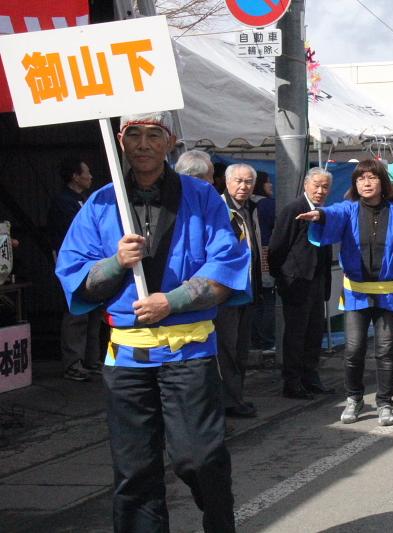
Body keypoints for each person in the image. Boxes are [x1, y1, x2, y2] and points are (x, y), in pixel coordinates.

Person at [55, 111, 249, 532]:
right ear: (121, 142)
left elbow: (228, 270)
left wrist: (173, 301)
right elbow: (77, 280)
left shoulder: (203, 197)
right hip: (125, 360)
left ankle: (220, 522)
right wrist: (115, 263)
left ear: (169, 141)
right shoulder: (101, 202)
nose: (143, 144)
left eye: (152, 135)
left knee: (198, 458)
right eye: (134, 135)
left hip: (190, 355)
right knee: (134, 472)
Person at [297, 159, 393, 426]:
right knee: (354, 350)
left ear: (383, 181)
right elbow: (332, 213)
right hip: (356, 293)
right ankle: (354, 398)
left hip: (389, 293)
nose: (366, 183)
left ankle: (384, 403)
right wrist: (320, 215)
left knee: (385, 350)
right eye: (360, 179)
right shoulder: (347, 210)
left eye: (372, 177)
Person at [269, 167, 335, 399]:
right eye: (316, 185)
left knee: (314, 332)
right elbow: (277, 247)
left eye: (325, 187)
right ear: (306, 185)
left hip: (317, 280)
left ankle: (311, 376)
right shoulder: (293, 209)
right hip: (296, 281)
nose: (320, 190)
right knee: (296, 334)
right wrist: (283, 276)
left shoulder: (324, 211)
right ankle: (292, 382)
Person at [48, 157, 104, 382]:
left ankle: (91, 360)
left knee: (93, 312)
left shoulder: (85, 200)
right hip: (75, 265)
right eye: (86, 172)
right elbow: (58, 238)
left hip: (93, 263)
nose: (90, 176)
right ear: (75, 176)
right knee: (75, 314)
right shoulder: (63, 202)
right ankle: (73, 363)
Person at [215, 163, 262, 418]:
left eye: (248, 182)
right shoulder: (219, 208)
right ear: (227, 181)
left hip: (249, 288)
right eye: (238, 181)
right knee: (227, 349)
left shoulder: (251, 209)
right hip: (226, 291)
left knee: (241, 350)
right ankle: (228, 402)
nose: (243, 186)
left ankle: (236, 397)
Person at [252, 172, 277, 358]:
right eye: (268, 182)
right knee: (269, 299)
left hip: (251, 258)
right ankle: (268, 340)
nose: (271, 185)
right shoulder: (267, 204)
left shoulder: (248, 203)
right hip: (266, 254)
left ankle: (256, 340)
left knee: (255, 301)